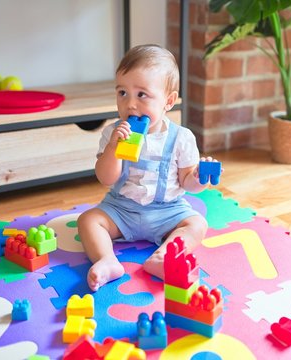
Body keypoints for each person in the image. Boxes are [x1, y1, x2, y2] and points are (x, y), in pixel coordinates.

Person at [77, 44, 218, 291]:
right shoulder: (113, 133)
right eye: (122, 93)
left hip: (168, 211)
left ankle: (162, 258)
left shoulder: (181, 138)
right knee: (88, 220)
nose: (130, 104)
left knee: (198, 225)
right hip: (121, 208)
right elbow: (106, 178)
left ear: (169, 101)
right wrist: (113, 148)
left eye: (141, 94)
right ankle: (107, 260)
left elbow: (189, 184)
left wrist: (199, 176)